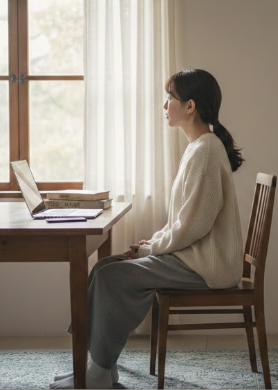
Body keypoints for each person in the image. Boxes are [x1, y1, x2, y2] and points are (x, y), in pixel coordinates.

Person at [49, 69, 245, 389]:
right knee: (105, 267)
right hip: (195, 258)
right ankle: (100, 366)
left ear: (190, 106)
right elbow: (183, 221)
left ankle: (97, 371)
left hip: (208, 265)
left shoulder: (206, 150)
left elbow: (194, 226)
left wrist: (151, 248)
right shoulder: (199, 147)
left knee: (114, 275)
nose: (165, 106)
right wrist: (151, 242)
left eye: (170, 99)